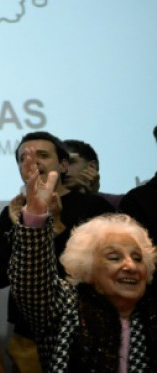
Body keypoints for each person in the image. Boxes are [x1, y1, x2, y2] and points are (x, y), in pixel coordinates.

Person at [9, 146, 157, 372]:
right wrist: (37, 218)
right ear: (87, 268)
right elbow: (33, 283)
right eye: (114, 257)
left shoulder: (152, 312)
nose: (130, 266)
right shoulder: (65, 310)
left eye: (138, 258)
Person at [0, 130, 114, 372]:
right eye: (24, 158)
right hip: (28, 335)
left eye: (42, 155)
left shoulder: (94, 206)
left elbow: (105, 269)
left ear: (63, 165)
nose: (32, 162)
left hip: (89, 330)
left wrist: (59, 226)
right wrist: (18, 231)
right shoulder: (12, 212)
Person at [63, 138, 122, 209]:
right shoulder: (51, 209)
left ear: (92, 166)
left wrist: (93, 198)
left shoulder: (119, 203)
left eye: (71, 162)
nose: (63, 169)